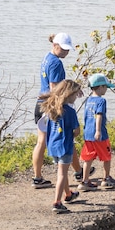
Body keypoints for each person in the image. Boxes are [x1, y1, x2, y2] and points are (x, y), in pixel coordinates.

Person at [32, 32, 77, 189]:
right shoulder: (56, 63)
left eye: (67, 49)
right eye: (63, 49)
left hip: (40, 103)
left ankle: (37, 177)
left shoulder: (47, 58)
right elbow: (54, 88)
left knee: (41, 141)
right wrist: (66, 100)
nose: (66, 52)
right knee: (66, 138)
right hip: (50, 106)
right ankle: (78, 172)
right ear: (54, 45)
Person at [42, 79, 83, 213]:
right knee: (62, 175)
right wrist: (73, 135)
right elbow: (76, 131)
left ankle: (68, 194)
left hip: (53, 146)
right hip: (65, 146)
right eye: (75, 95)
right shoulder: (70, 112)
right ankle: (57, 202)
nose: (76, 97)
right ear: (68, 95)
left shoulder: (51, 109)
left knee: (62, 172)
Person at [80, 73, 115, 189]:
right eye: (105, 87)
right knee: (107, 156)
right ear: (100, 87)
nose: (106, 89)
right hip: (99, 134)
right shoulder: (101, 101)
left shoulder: (88, 100)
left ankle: (85, 181)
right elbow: (99, 115)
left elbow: (86, 116)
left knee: (88, 157)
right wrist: (98, 131)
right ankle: (106, 178)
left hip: (87, 133)